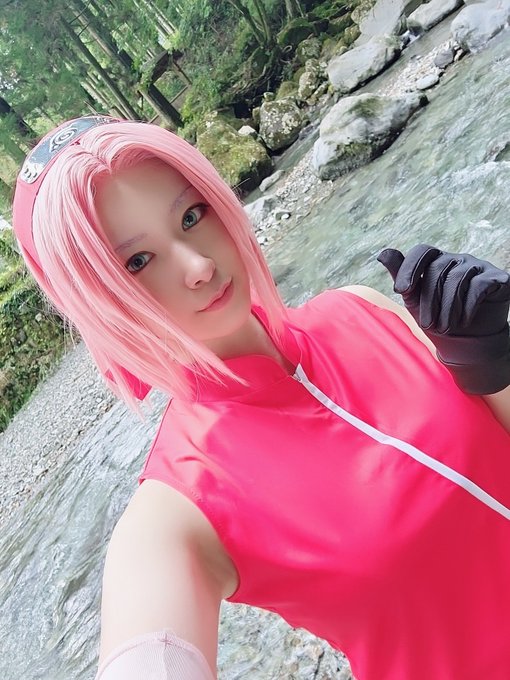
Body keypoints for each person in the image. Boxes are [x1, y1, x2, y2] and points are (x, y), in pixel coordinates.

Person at [11, 116, 510, 680]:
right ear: (100, 301)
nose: (198, 266)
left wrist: (489, 363)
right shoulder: (179, 506)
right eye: (138, 262)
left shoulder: (360, 306)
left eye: (191, 216)